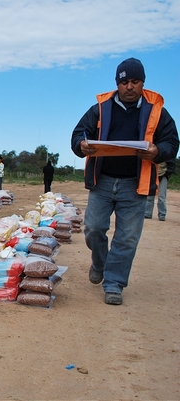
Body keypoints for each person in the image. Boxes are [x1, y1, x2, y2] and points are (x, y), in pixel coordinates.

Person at [71, 57, 179, 305]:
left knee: (127, 237)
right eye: (125, 82)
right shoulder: (100, 108)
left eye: (135, 81)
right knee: (94, 229)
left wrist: (156, 151)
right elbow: (79, 133)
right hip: (103, 181)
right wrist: (82, 145)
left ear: (143, 83)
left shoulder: (157, 112)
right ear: (117, 83)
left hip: (135, 183)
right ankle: (100, 261)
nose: (130, 87)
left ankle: (114, 283)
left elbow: (172, 143)